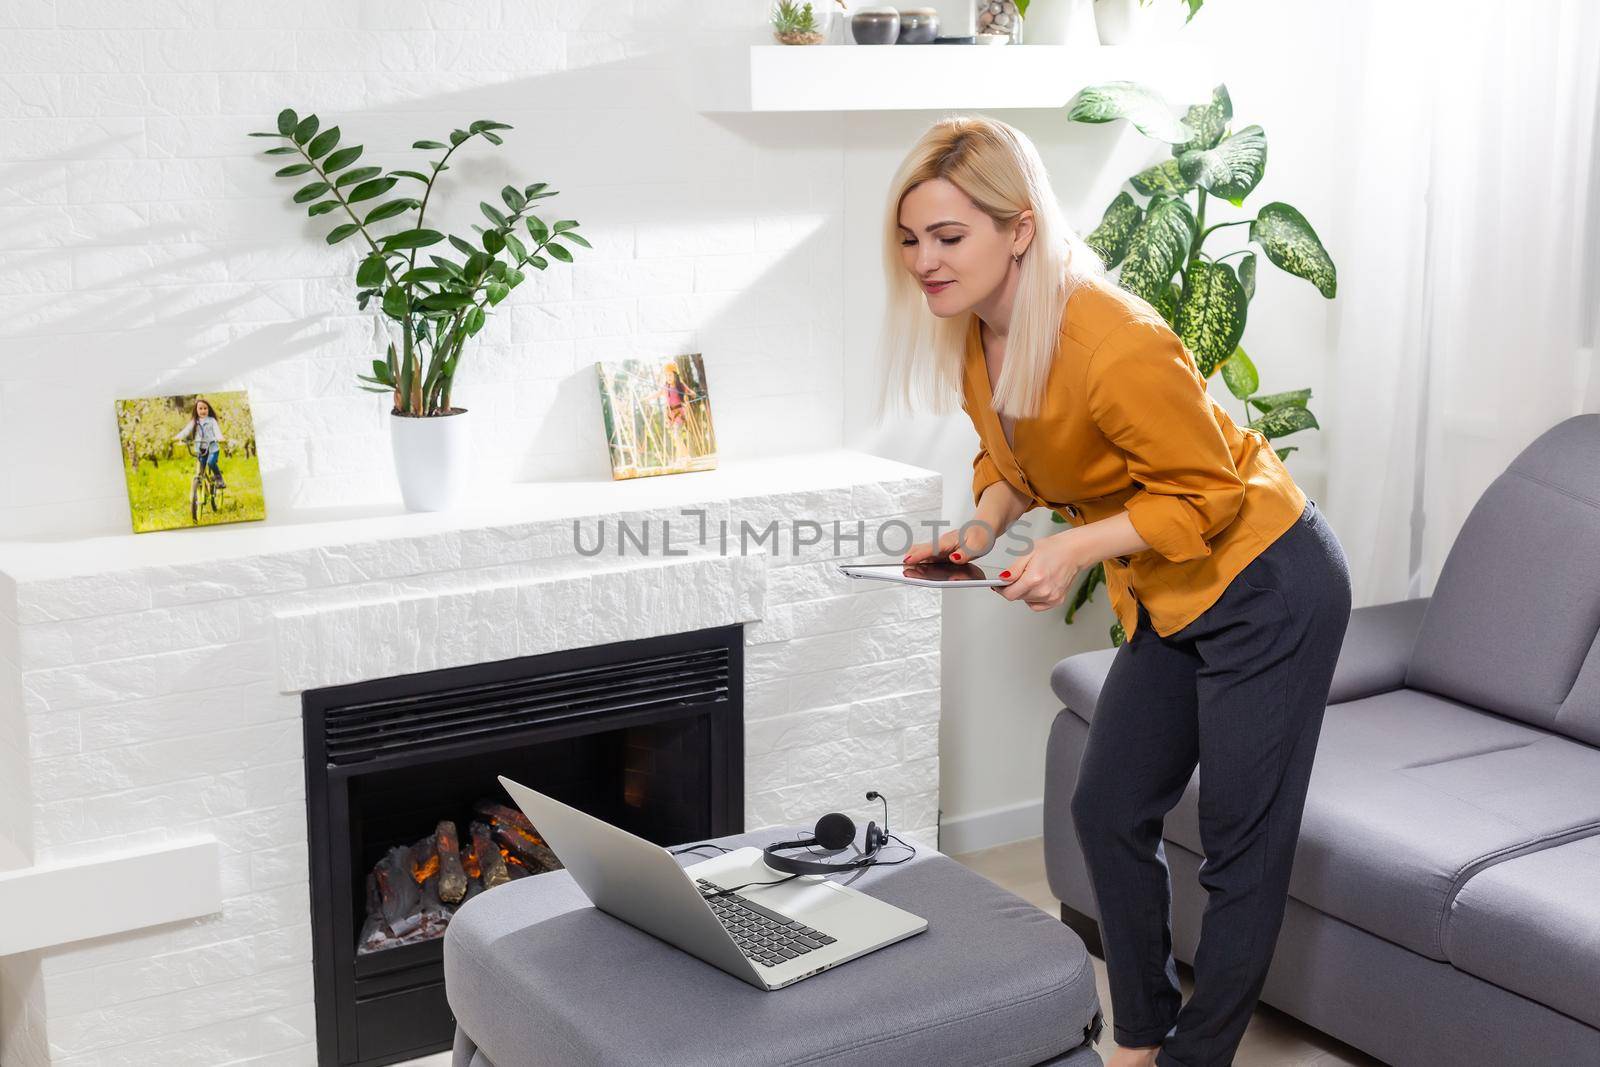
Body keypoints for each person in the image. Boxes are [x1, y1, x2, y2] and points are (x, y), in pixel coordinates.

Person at [893, 117, 1352, 1067]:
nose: (924, 262)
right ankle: (1141, 1036)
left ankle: (1196, 1059)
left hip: (1266, 579)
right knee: (1107, 807)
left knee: (1239, 844)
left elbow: (1208, 497)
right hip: (1174, 588)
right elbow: (1014, 455)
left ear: (1018, 229)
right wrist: (978, 530)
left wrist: (1076, 548)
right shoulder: (980, 332)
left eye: (949, 238)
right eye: (910, 240)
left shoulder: (1113, 339)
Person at [174, 396, 227, 491]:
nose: (203, 411)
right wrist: (178, 437)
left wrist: (220, 438)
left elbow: (217, 431)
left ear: (208, 409)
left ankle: (219, 478)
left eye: (205, 408)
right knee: (201, 470)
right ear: (196, 410)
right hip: (201, 449)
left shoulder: (212, 421)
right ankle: (201, 488)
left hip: (212, 448)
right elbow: (186, 430)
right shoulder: (195, 421)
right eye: (200, 408)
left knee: (211, 463)